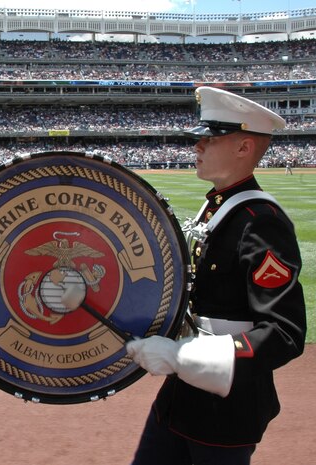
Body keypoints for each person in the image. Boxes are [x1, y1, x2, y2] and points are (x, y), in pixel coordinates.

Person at [126, 86, 307, 465]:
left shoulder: (260, 224)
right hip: (180, 397)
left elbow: (284, 333)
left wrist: (182, 358)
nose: (198, 147)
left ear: (244, 148)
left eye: (209, 139)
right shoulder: (215, 209)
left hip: (227, 408)